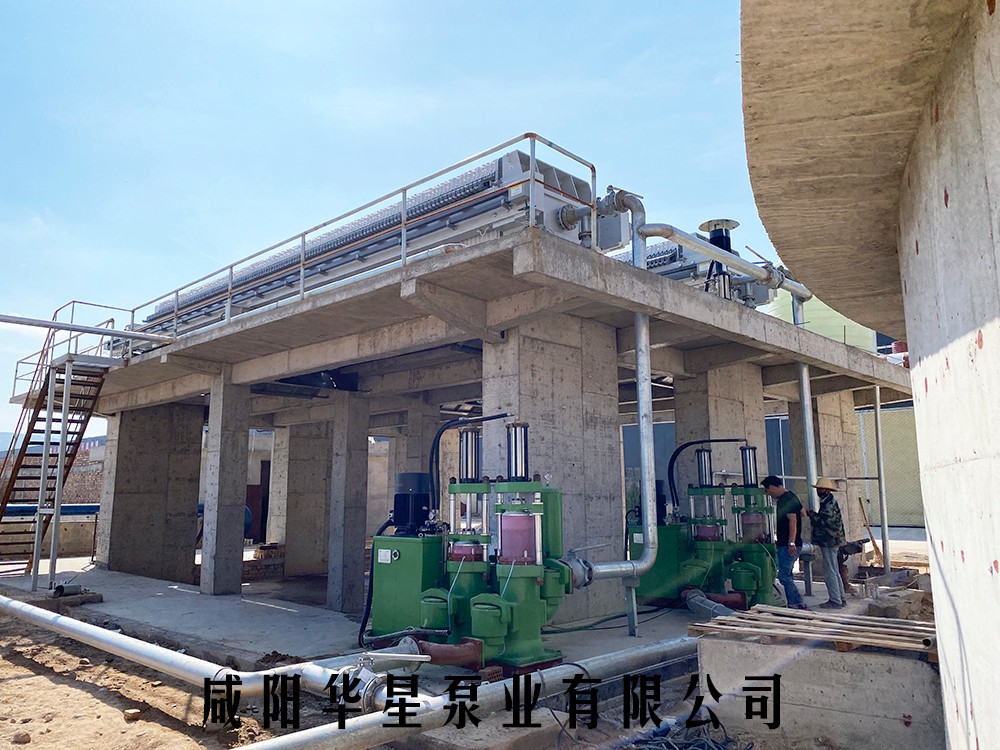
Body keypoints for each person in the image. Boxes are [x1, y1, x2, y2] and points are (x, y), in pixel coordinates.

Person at [761, 475, 807, 610]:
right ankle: (795, 602)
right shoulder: (792, 497)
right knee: (787, 575)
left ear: (772, 487)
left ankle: (796, 603)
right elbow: (803, 512)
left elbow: (793, 521)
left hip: (788, 545)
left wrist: (791, 542)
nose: (768, 494)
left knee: (784, 576)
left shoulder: (785, 500)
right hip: (789, 543)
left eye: (767, 490)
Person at [808, 477, 847, 609]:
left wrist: (811, 515)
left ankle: (835, 600)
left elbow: (824, 522)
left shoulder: (828, 504)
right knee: (834, 570)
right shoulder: (829, 501)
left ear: (826, 490)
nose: (818, 491)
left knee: (830, 571)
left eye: (820, 489)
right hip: (832, 541)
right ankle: (840, 598)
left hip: (829, 541)